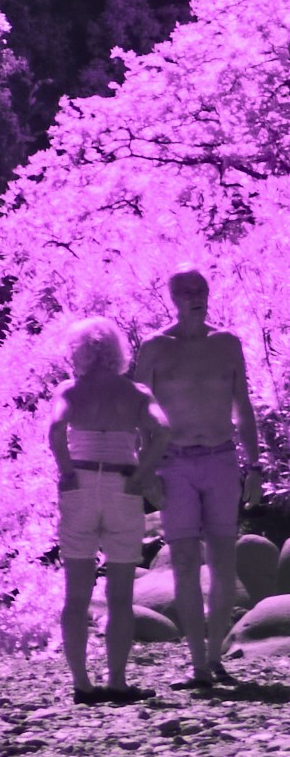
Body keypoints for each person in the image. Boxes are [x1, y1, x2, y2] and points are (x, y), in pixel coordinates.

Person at [134, 268, 264, 693]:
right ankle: (197, 666)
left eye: (201, 290)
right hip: (174, 464)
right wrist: (145, 471)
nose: (196, 297)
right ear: (172, 297)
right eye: (187, 291)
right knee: (186, 562)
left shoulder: (226, 344)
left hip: (221, 459)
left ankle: (215, 658)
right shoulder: (155, 347)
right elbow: (140, 415)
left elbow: (243, 406)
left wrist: (255, 467)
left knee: (224, 563)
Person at [55, 327, 161, 702]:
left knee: (76, 595)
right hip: (122, 484)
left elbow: (56, 428)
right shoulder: (136, 393)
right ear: (118, 351)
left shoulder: (69, 390)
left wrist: (67, 472)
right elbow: (163, 431)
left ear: (78, 351)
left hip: (81, 482)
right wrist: (143, 474)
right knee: (120, 594)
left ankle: (82, 684)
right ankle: (117, 680)